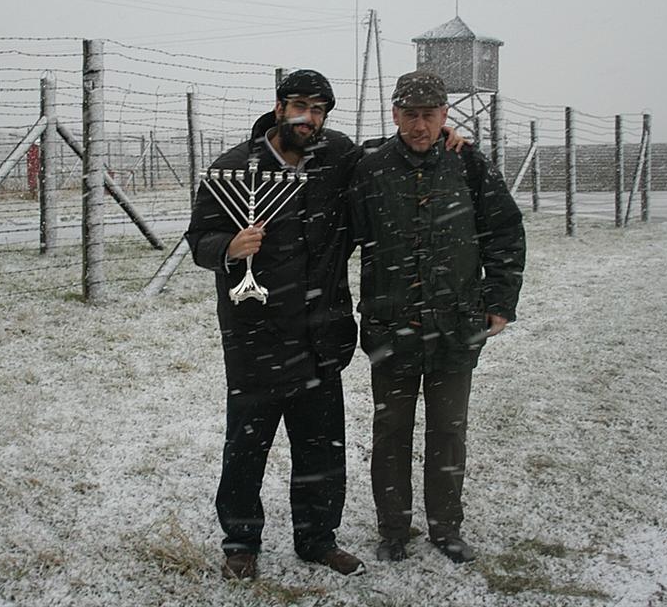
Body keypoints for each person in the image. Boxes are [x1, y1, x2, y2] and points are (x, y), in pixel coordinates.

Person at [185, 69, 366, 580]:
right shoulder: (236, 169)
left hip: (322, 330)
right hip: (255, 334)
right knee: (246, 445)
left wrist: (440, 133)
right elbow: (198, 238)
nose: (308, 117)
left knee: (322, 446)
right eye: (299, 105)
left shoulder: (338, 158)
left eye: (319, 109)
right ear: (279, 106)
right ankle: (240, 541)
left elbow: (386, 157)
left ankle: (317, 538)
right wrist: (227, 248)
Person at [348, 70, 526, 565]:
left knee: (448, 431)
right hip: (391, 327)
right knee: (391, 433)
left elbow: (505, 232)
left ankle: (446, 527)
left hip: (456, 326)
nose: (419, 125)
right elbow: (341, 235)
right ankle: (393, 530)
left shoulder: (468, 165)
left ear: (446, 115)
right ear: (394, 114)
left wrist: (499, 301)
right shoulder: (370, 169)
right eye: (410, 114)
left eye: (429, 115)